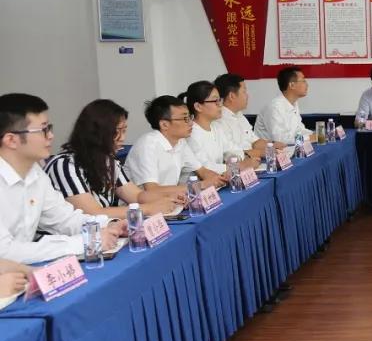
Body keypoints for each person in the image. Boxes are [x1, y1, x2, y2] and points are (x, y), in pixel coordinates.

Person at [0, 93, 123, 264]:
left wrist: (109, 225)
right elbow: (5, 251)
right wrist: (84, 242)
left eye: (49, 127)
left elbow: (64, 219)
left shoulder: (36, 175)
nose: (50, 136)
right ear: (11, 140)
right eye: (43, 130)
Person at [45, 99, 185, 220]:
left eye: (124, 130)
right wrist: (149, 208)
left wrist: (170, 199)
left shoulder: (108, 161)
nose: (123, 138)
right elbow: (93, 213)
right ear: (97, 132)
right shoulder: (65, 165)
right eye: (117, 131)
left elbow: (137, 196)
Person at [124, 95, 226, 191]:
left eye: (190, 117)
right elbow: (152, 190)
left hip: (170, 199)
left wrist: (222, 178)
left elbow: (202, 171)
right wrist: (201, 185)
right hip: (142, 203)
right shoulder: (147, 146)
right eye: (185, 119)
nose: (191, 123)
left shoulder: (180, 142)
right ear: (164, 124)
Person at [183, 80, 259, 174]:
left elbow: (233, 149)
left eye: (220, 100)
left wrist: (233, 159)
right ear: (198, 106)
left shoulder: (216, 127)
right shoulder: (190, 133)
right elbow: (204, 167)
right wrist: (238, 166)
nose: (220, 105)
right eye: (215, 101)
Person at [213, 73, 277, 160]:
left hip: (253, 160)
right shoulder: (219, 120)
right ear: (232, 96)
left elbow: (255, 142)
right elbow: (231, 155)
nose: (247, 95)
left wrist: (274, 146)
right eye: (244, 91)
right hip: (240, 164)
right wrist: (264, 152)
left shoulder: (239, 115)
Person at [255, 66, 314, 145]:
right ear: (292, 85)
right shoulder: (274, 107)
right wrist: (308, 138)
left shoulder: (293, 104)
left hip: (287, 149)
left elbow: (299, 130)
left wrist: (315, 135)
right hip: (269, 152)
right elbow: (280, 140)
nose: (307, 84)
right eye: (303, 81)